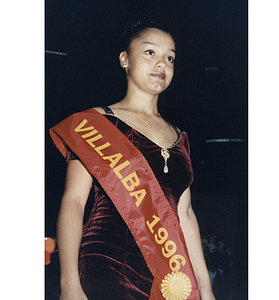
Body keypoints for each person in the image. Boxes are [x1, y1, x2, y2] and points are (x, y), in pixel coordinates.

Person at [50, 23, 216, 300]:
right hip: (108, 264)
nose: (161, 63)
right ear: (124, 59)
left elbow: (184, 215)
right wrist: (69, 285)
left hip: (168, 274)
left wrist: (206, 288)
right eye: (150, 52)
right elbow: (74, 202)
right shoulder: (95, 124)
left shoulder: (180, 137)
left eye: (170, 57)